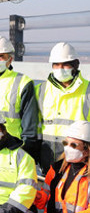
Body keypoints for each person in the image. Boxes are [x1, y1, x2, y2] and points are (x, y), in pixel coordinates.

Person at [37, 42, 90, 171]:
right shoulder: (40, 90)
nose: (60, 68)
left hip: (76, 163)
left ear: (76, 65)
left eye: (65, 64)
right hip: (46, 160)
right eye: (56, 64)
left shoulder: (87, 91)